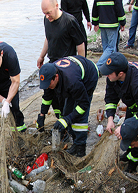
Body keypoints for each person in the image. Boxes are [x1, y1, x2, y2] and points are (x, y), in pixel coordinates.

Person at [100, 52, 138, 172]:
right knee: (129, 129)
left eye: (109, 72)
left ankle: (134, 162)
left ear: (121, 73)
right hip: (133, 102)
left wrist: (123, 127)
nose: (106, 74)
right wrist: (110, 119)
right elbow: (110, 98)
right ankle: (129, 154)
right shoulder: (112, 77)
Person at [36, 0, 86, 132]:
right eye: (44, 13)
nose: (47, 16)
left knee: (66, 99)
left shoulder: (69, 21)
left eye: (48, 13)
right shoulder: (47, 20)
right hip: (52, 64)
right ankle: (60, 122)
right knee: (52, 97)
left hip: (65, 68)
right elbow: (48, 38)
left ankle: (67, 125)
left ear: (57, 6)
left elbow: (80, 44)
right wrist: (42, 56)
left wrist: (82, 65)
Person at [38, 55, 99, 157]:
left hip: (89, 77)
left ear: (56, 77)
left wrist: (67, 119)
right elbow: (47, 97)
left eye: (49, 84)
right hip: (74, 76)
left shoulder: (72, 82)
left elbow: (84, 104)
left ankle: (80, 148)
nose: (47, 86)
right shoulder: (48, 75)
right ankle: (75, 142)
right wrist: (41, 115)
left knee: (79, 116)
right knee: (67, 111)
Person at [91, 0, 126, 69]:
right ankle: (97, 67)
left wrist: (95, 23)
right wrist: (123, 22)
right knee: (111, 48)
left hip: (102, 24)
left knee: (106, 47)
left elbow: (95, 10)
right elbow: (119, 9)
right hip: (112, 25)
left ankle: (111, 66)